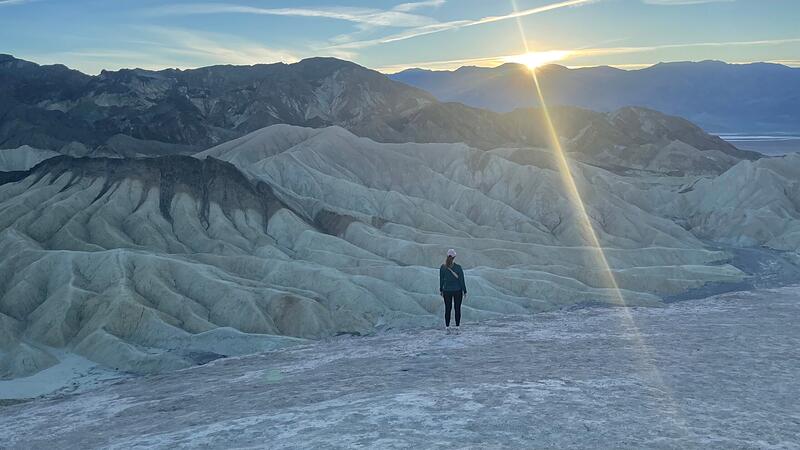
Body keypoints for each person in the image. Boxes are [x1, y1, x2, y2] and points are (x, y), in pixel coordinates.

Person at [439, 248, 467, 334]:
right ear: (454, 257)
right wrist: (464, 290)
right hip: (457, 290)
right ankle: (457, 327)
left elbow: (441, 280)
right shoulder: (458, 267)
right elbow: (461, 280)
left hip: (446, 290)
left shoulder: (442, 267)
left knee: (448, 309)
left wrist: (441, 289)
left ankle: (447, 327)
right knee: (457, 309)